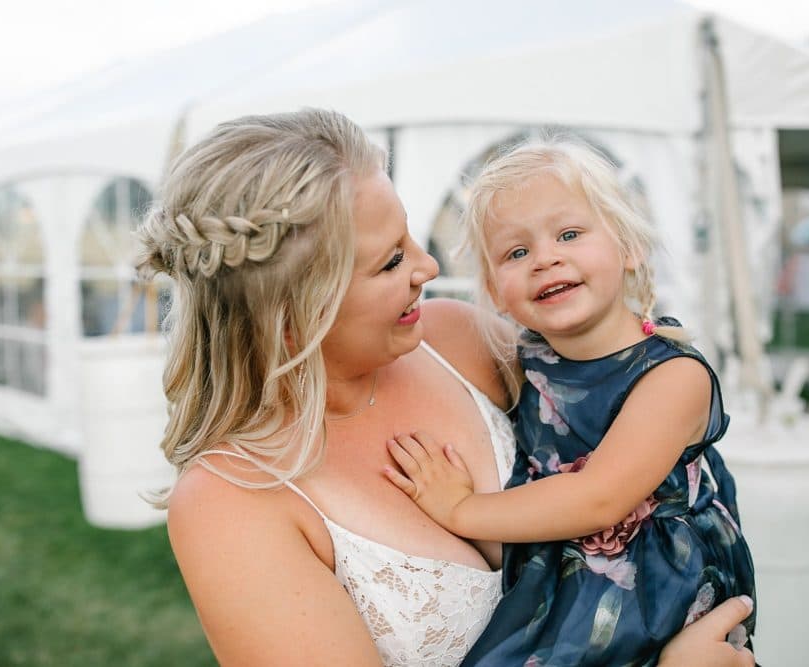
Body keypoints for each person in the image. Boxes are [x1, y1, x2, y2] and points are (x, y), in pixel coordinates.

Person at [135, 108, 756, 666]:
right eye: (390, 261)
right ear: (293, 314)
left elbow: (618, 404)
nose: (428, 267)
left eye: (410, 237)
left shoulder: (458, 340)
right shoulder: (233, 503)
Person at [384, 139, 757, 666]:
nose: (545, 258)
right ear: (495, 287)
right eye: (517, 252)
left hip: (654, 588)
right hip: (563, 573)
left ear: (630, 248)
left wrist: (461, 508)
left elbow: (600, 497)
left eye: (569, 234)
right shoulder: (528, 362)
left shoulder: (673, 375)